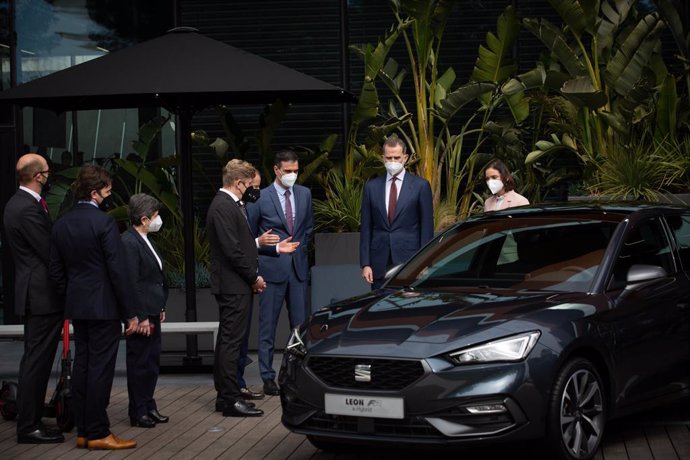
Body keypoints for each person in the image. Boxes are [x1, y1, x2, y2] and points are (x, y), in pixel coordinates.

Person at [49, 164, 143, 450]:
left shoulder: (61, 223)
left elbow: (56, 270)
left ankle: (84, 431)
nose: (108, 196)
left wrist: (71, 296)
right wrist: (130, 312)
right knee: (101, 369)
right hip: (104, 307)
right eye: (107, 191)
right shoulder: (103, 223)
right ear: (94, 192)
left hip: (78, 305)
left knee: (83, 367)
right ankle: (99, 432)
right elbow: (117, 270)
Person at [2, 153, 64, 444]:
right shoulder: (26, 208)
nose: (49, 176)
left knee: (35, 360)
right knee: (36, 362)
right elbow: (48, 251)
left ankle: (32, 419)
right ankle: (28, 426)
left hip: (35, 294)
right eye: (47, 172)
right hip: (41, 296)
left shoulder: (22, 203)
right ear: (39, 176)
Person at [207, 159, 273, 417]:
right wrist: (253, 277)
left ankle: (226, 396)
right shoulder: (223, 206)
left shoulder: (230, 205)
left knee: (229, 341)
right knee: (231, 343)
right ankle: (229, 397)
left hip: (236, 284)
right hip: (233, 285)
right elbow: (233, 250)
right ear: (239, 183)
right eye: (250, 185)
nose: (252, 190)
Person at [247, 150, 313, 396]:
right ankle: (267, 377)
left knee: (299, 328)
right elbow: (249, 235)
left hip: (298, 271)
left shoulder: (305, 194)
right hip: (271, 271)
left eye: (296, 171)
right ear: (276, 170)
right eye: (287, 171)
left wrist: (301, 248)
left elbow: (308, 228)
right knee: (268, 328)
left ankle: (296, 375)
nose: (292, 175)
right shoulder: (260, 198)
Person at [121, 194, 169, 428]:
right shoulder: (129, 242)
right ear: (144, 218)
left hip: (152, 311)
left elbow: (154, 279)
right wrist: (138, 316)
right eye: (155, 215)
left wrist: (159, 307)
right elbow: (131, 283)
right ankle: (138, 410)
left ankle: (149, 405)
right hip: (141, 316)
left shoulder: (146, 239)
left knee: (151, 362)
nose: (158, 219)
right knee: (140, 363)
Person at [360, 137, 434, 289]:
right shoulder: (371, 187)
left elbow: (426, 228)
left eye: (396, 157)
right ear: (383, 158)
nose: (392, 161)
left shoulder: (421, 186)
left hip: (410, 261)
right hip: (379, 262)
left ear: (405, 158)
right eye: (389, 157)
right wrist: (365, 263)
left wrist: (425, 263)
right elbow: (366, 228)